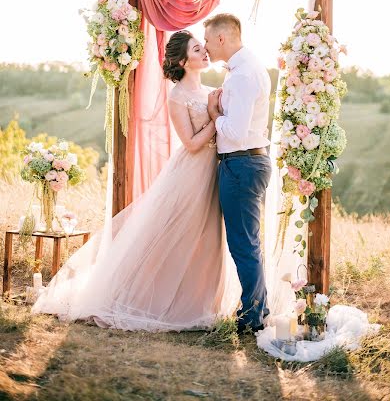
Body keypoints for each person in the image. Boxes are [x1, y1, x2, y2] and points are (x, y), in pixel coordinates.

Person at [32, 30, 240, 331]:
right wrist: (212, 116)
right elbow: (192, 143)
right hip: (191, 173)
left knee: (208, 239)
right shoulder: (177, 96)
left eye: (202, 48)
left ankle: (200, 303)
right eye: (197, 50)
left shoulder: (208, 90)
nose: (204, 52)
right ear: (183, 61)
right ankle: (154, 301)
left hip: (214, 171)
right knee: (177, 238)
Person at [204, 13, 272, 334]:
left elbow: (236, 131)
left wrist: (215, 114)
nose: (204, 46)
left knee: (243, 244)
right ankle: (258, 307)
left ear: (221, 38)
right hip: (246, 162)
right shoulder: (243, 70)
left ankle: (253, 316)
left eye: (206, 40)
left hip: (242, 163)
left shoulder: (244, 75)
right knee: (249, 242)